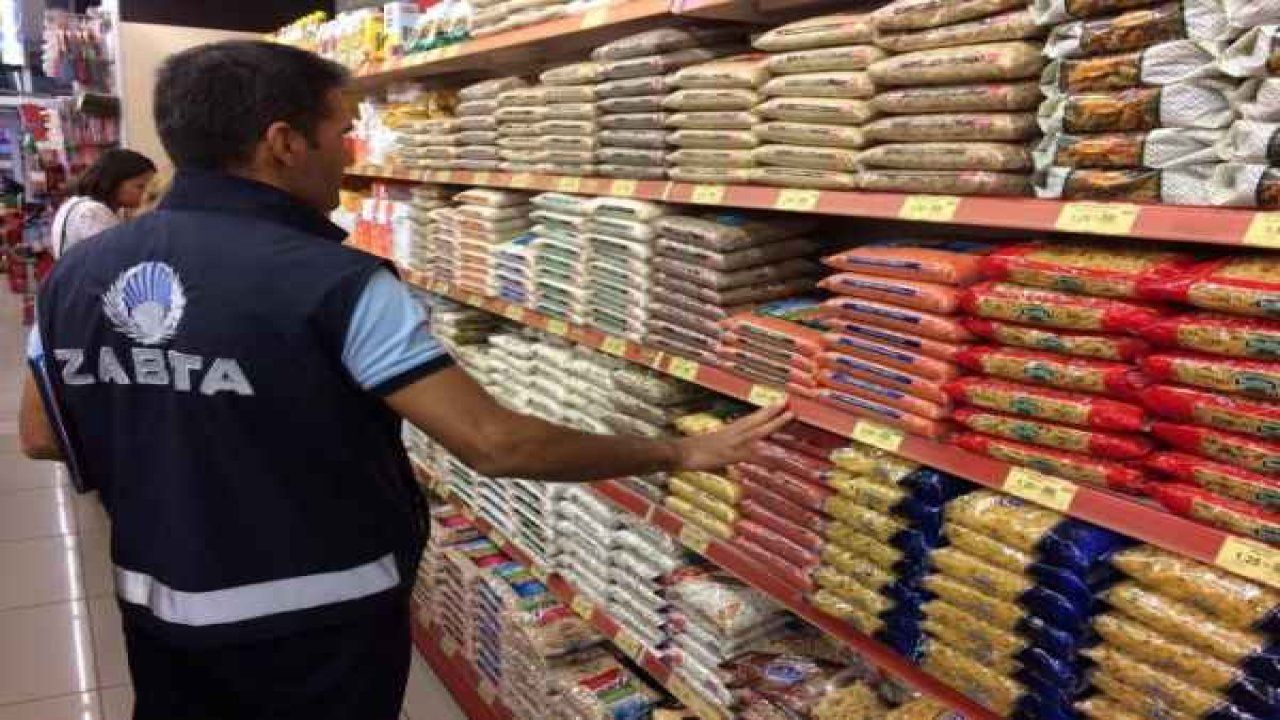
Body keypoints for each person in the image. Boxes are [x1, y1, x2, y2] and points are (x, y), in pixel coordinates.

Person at [18, 40, 790, 720]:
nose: (349, 150)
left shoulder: (77, 272)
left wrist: (181, 448)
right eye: (340, 130)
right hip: (319, 615)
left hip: (158, 602)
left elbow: (41, 435)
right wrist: (678, 452)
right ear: (282, 143)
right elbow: (495, 443)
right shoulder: (337, 282)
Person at [48, 148, 156, 258]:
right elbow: (119, 256)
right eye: (140, 186)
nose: (147, 192)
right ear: (113, 183)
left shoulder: (83, 204)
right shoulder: (92, 212)